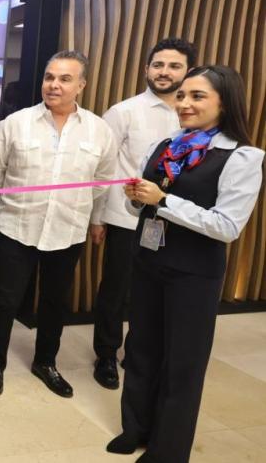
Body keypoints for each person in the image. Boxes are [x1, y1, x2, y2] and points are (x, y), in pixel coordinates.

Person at [108, 65, 263, 463]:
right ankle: (135, 428)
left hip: (193, 274)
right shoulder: (167, 145)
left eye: (197, 96)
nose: (184, 104)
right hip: (147, 260)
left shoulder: (241, 157)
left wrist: (163, 200)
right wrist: (137, 197)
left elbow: (227, 226)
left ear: (224, 103)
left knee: (182, 363)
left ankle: (168, 450)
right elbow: (140, 205)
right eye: (182, 95)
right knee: (140, 348)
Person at [0, 50, 116, 398]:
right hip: (17, 226)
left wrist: (84, 212)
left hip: (67, 229)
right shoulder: (14, 124)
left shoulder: (99, 131)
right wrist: (16, 205)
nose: (54, 85)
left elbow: (102, 181)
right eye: (49, 77)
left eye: (64, 79)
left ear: (81, 85)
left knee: (55, 301)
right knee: (5, 301)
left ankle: (46, 362)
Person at [89, 38, 196, 390]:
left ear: (188, 72)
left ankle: (137, 353)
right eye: (158, 65)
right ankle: (106, 353)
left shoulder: (195, 117)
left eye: (174, 66)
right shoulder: (124, 112)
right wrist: (98, 218)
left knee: (153, 292)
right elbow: (102, 168)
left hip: (175, 219)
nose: (164, 72)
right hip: (126, 218)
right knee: (116, 289)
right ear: (146, 69)